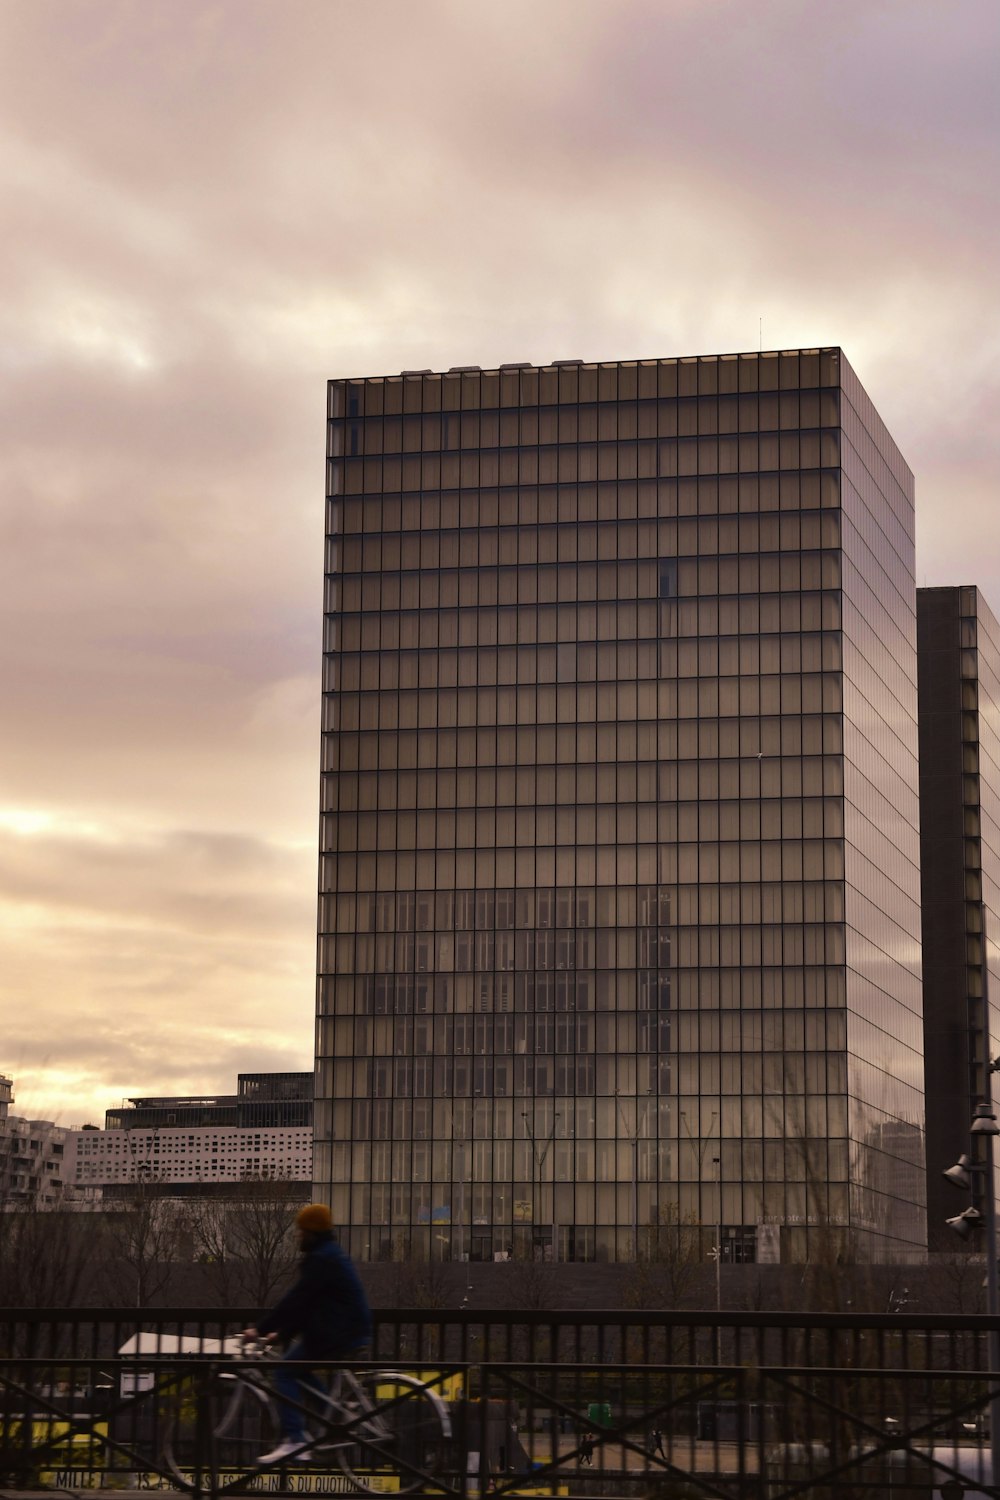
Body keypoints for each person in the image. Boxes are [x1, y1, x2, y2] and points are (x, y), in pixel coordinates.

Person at [243, 1203, 372, 1464]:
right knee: (298, 1370)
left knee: (284, 1372)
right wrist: (281, 1334)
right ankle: (332, 1412)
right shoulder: (328, 1255)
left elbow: (298, 1299)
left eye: (301, 1231)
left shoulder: (321, 1259)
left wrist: (261, 1328)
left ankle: (296, 1440)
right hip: (344, 1328)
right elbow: (309, 1304)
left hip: (337, 1331)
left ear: (311, 1232)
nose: (298, 1236)